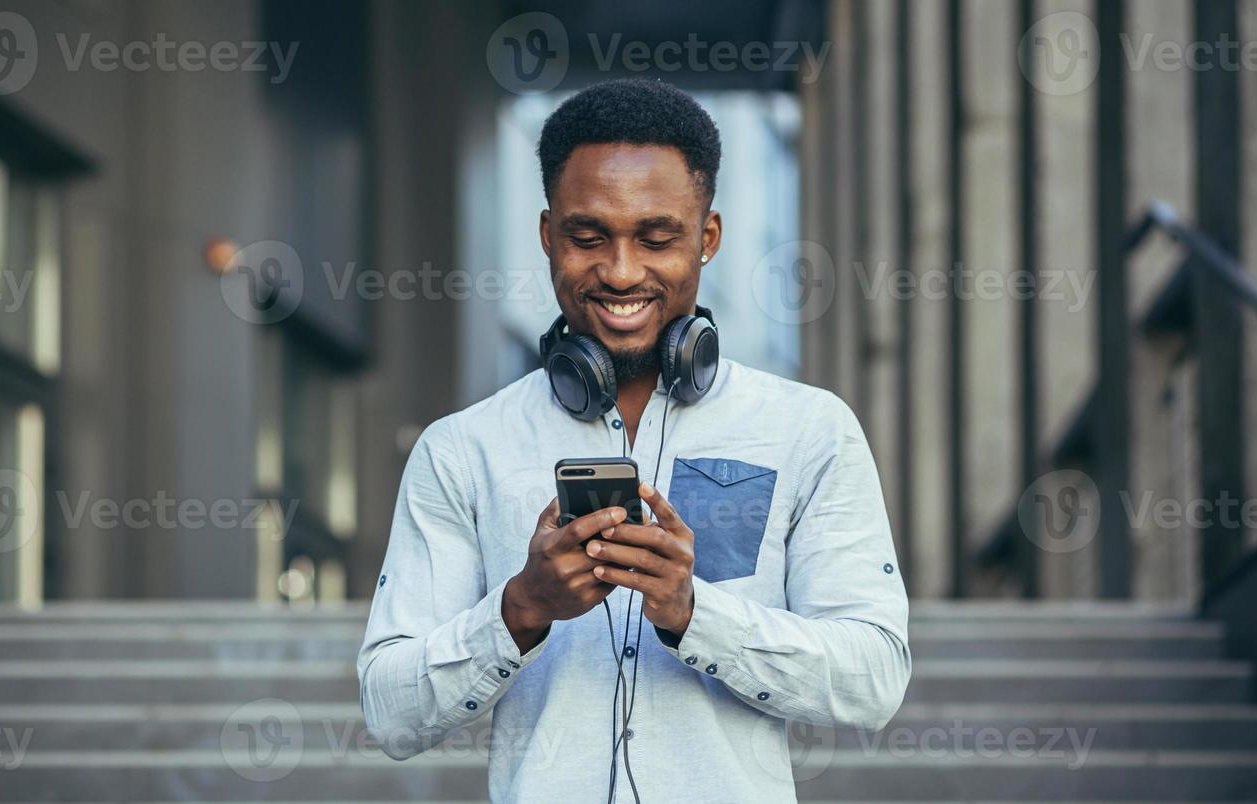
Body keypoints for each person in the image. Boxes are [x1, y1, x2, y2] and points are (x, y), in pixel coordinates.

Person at [356, 78, 910, 803]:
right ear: (548, 235)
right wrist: (520, 609)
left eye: (657, 238)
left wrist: (694, 613)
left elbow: (872, 680)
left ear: (706, 237)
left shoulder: (809, 430)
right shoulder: (462, 450)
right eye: (588, 237)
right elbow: (390, 710)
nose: (621, 272)